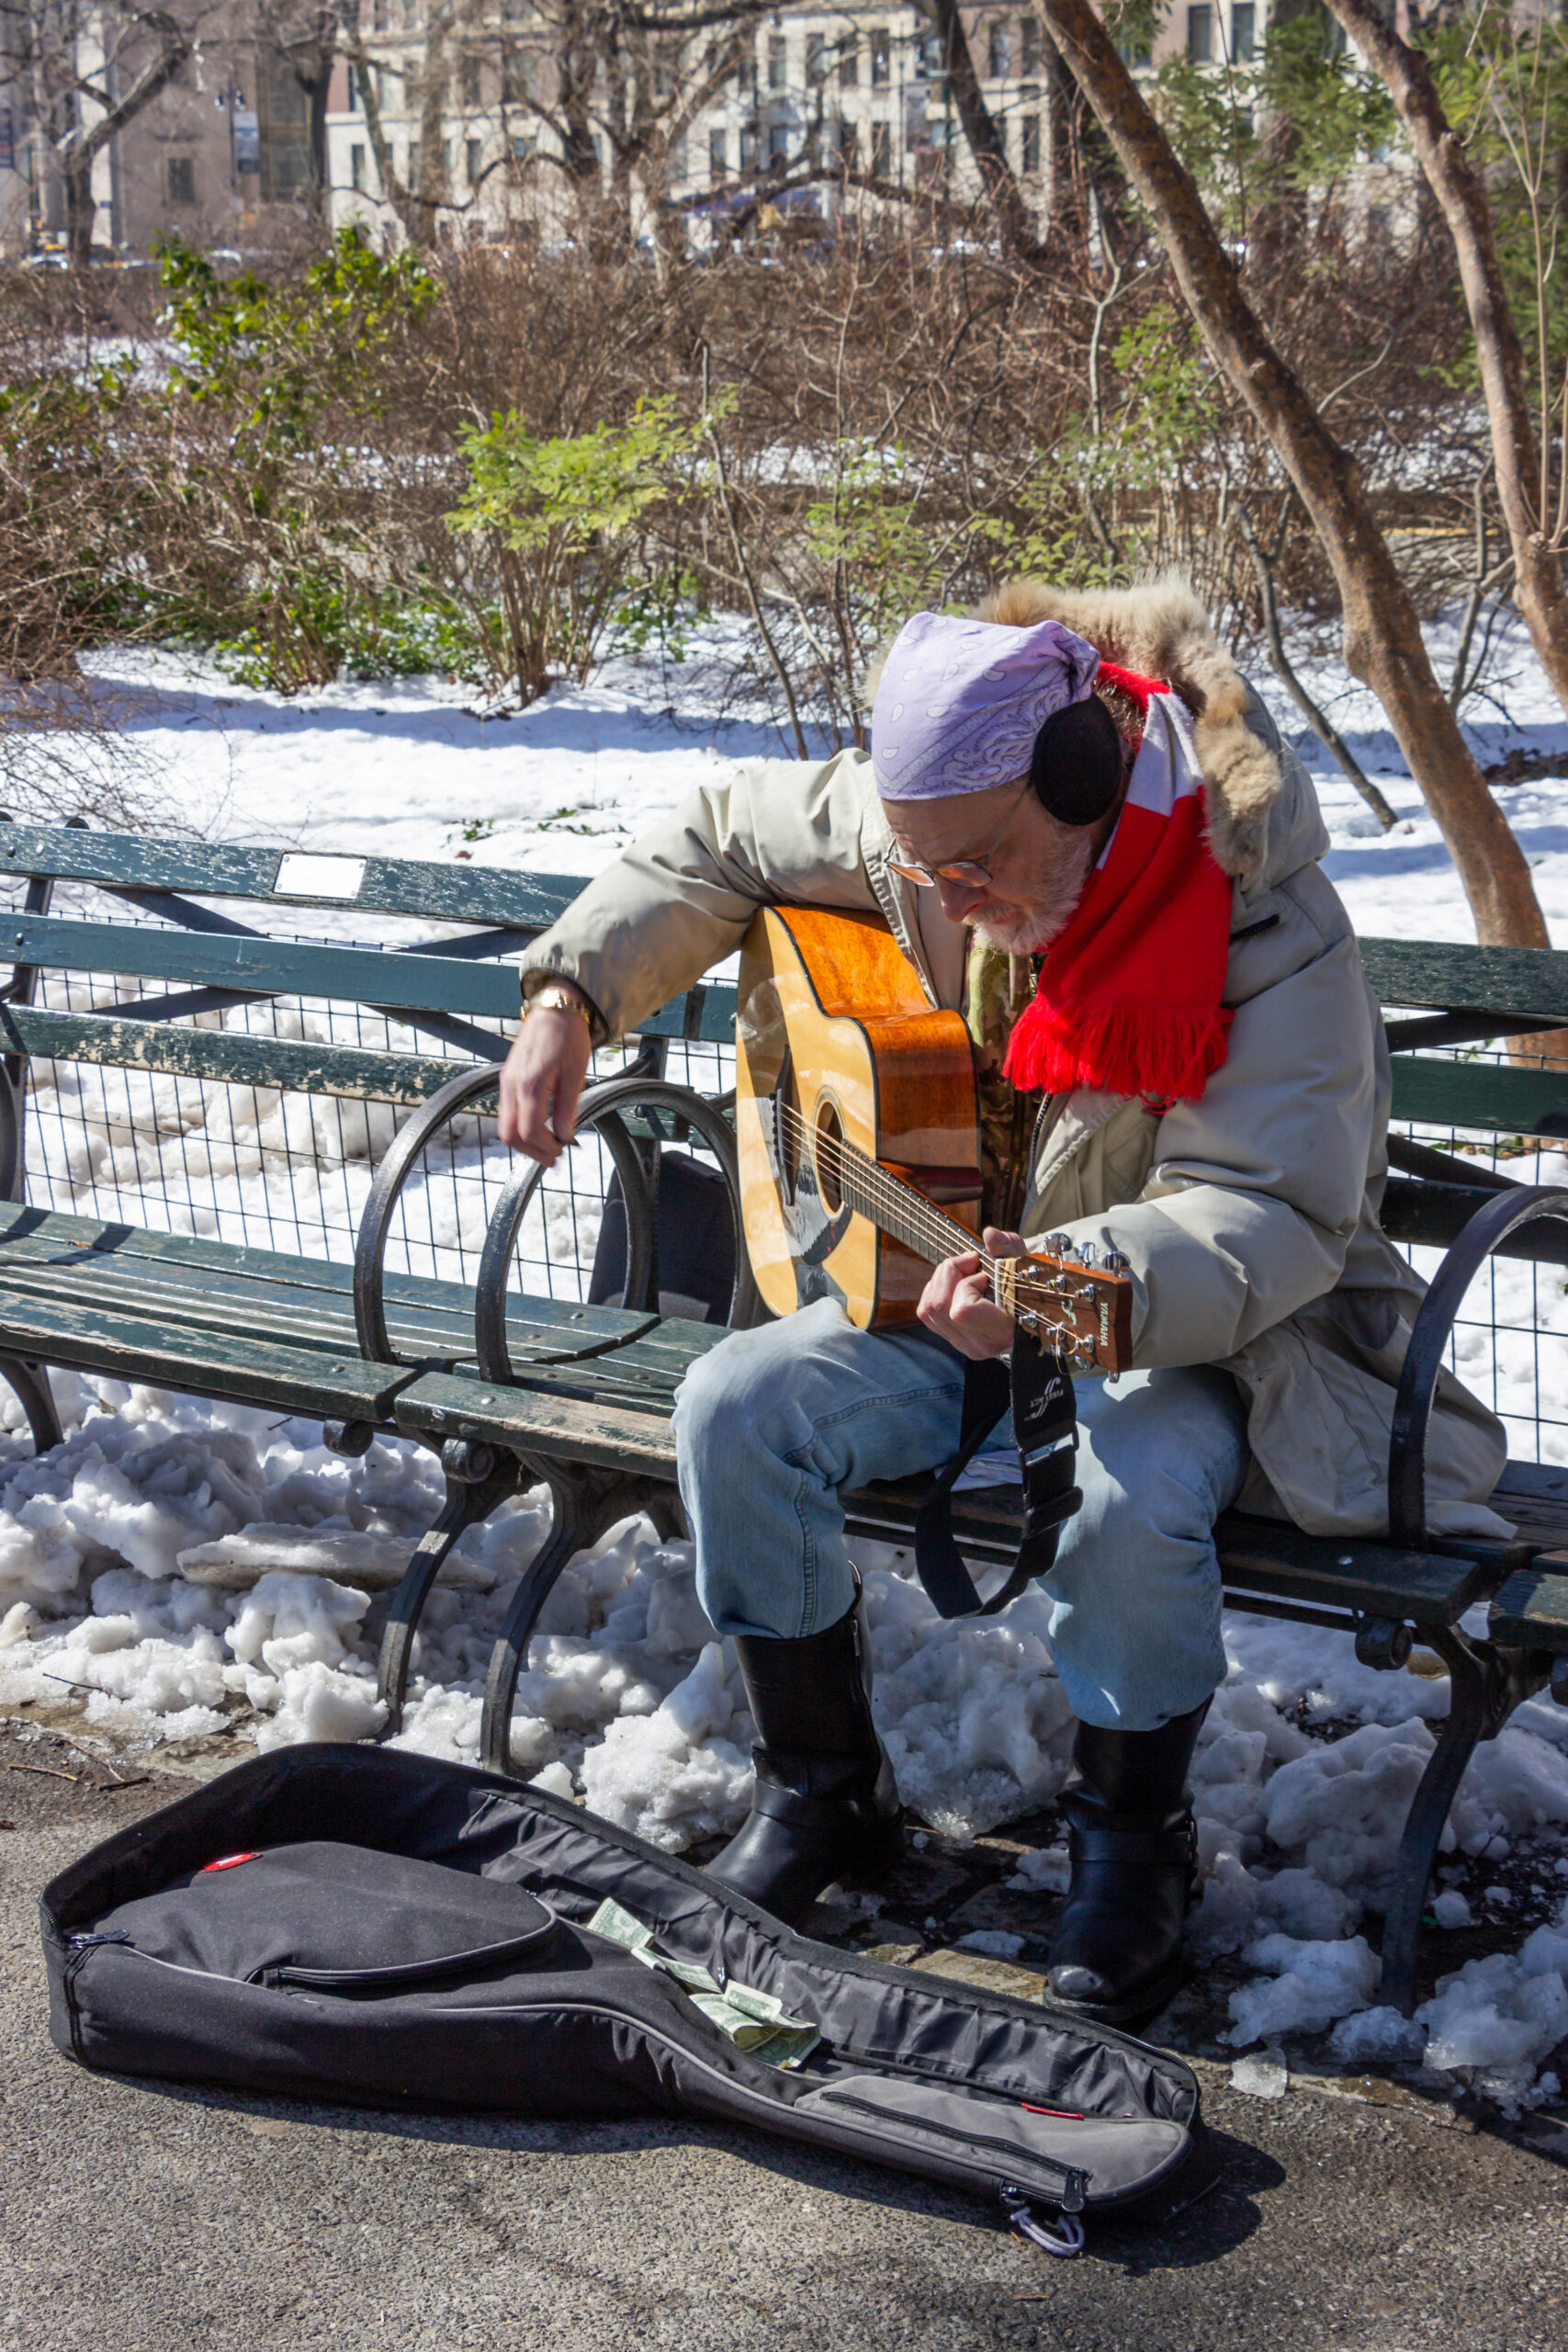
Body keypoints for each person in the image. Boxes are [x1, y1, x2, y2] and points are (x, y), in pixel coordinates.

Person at [497, 577, 1510, 2024]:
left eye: (979, 867)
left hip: (1216, 1334)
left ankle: (1130, 1844)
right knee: (735, 1405)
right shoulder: (943, 826)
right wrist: (569, 996)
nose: (952, 904)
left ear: (1083, 773)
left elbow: (1274, 1214)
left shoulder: (1266, 921)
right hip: (958, 1285)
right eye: (927, 871)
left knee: (1128, 1478)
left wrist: (1069, 1284)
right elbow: (720, 829)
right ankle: (825, 1791)